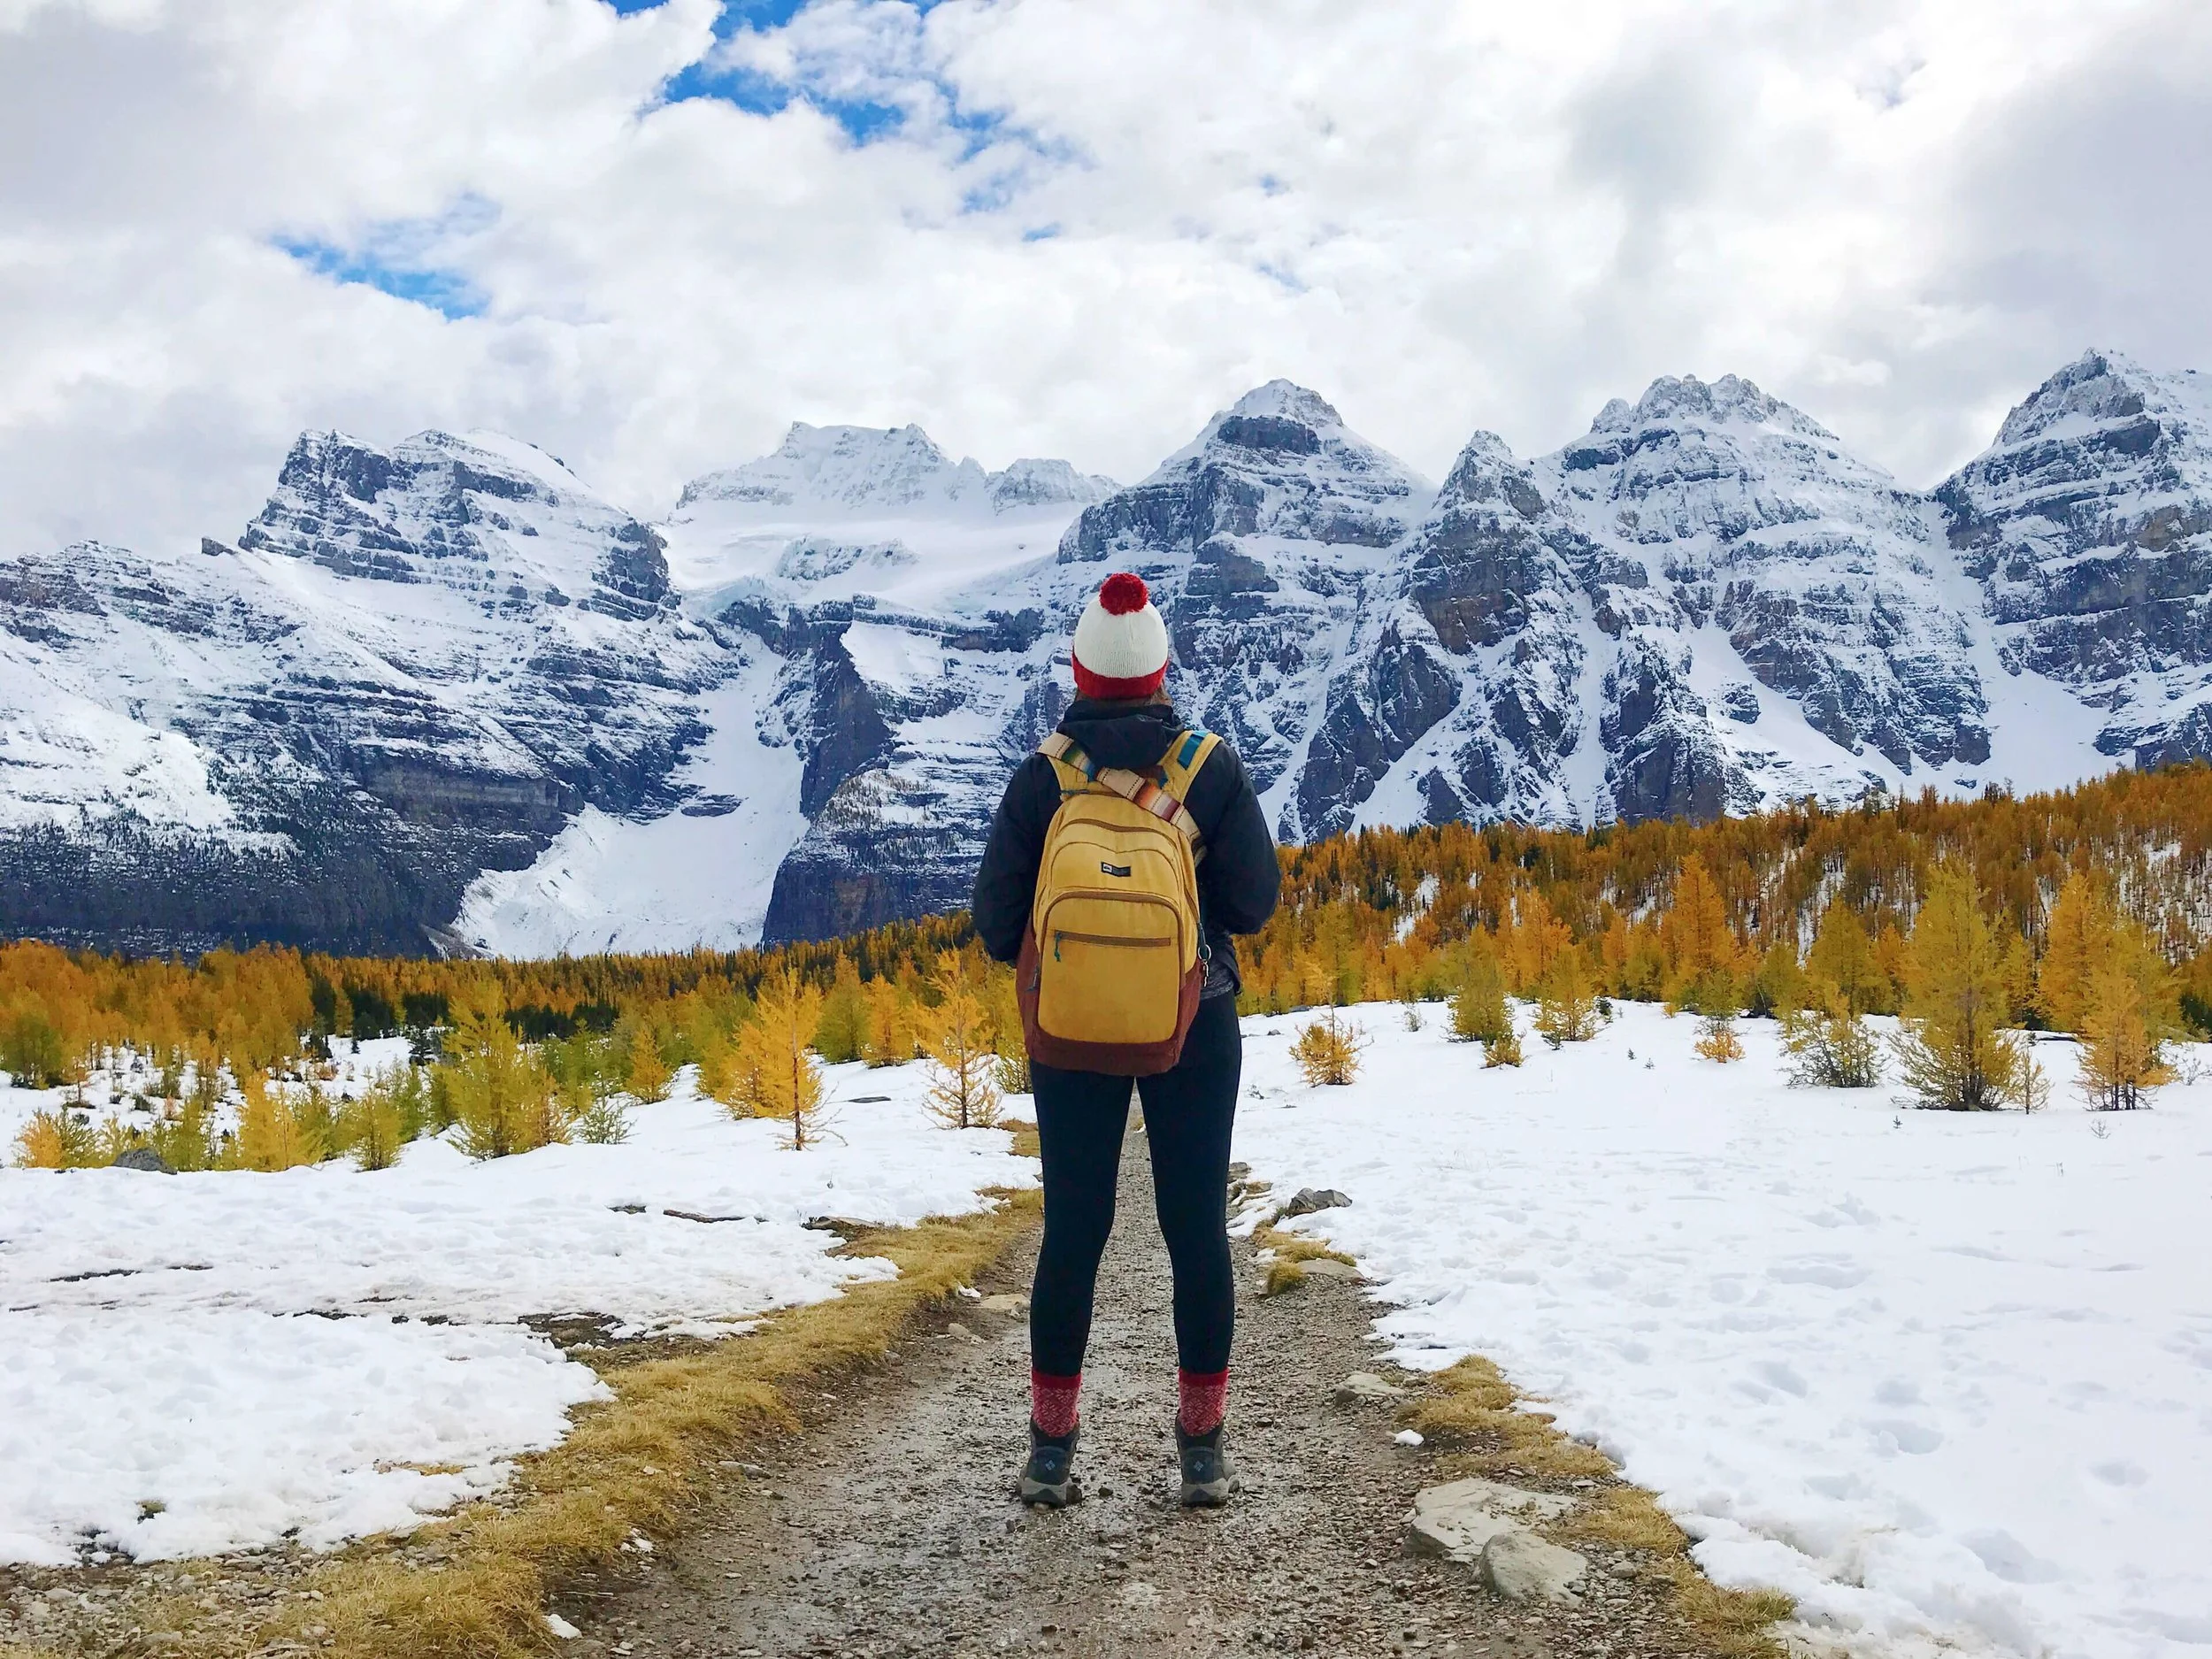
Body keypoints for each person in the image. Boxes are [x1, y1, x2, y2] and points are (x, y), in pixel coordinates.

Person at [972, 570, 1280, 1509]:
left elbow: (993, 926)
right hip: (1197, 1019)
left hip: (1069, 1032)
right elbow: (1254, 905)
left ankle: (1052, 1454)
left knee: (1074, 1230)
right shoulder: (1209, 767)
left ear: (1077, 669)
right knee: (1196, 1230)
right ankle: (1200, 1453)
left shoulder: (1042, 773)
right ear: (1160, 667)